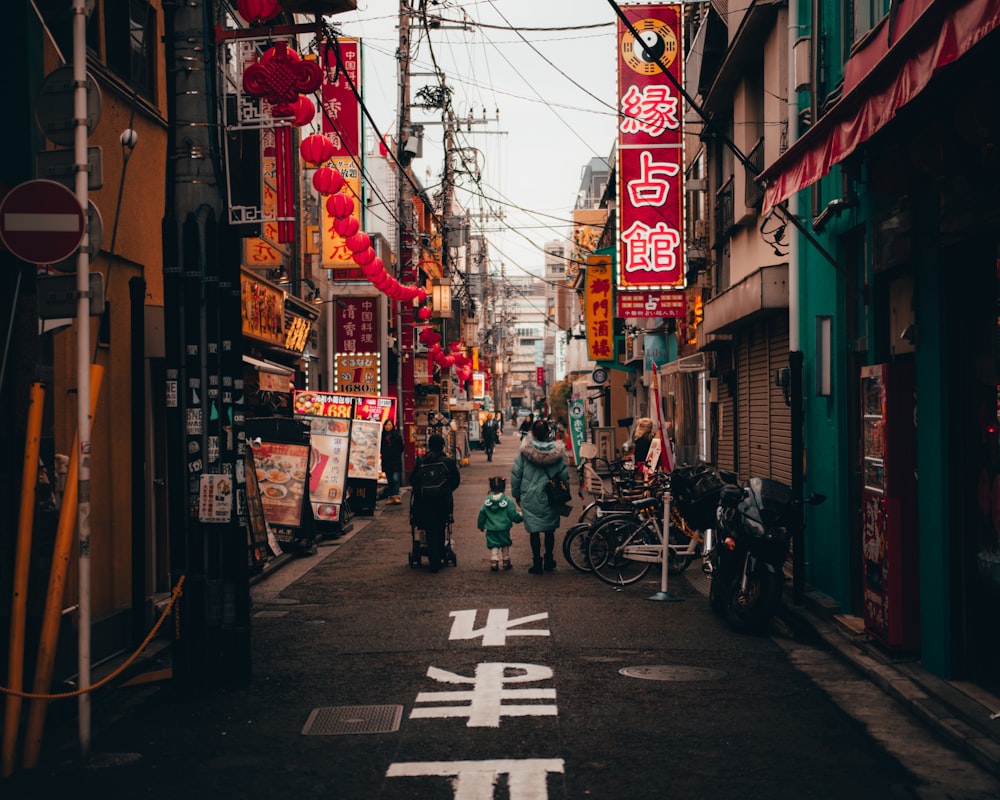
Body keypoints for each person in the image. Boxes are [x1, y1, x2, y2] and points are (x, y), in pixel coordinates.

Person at [512, 418, 570, 574]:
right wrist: (566, 493)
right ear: (547, 433)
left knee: (534, 530)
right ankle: (549, 559)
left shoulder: (524, 452)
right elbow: (564, 476)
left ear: (532, 433)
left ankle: (537, 562)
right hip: (552, 496)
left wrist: (516, 494)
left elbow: (516, 475)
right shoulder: (556, 453)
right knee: (550, 530)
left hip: (530, 495)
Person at [409, 433, 461, 572]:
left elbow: (412, 480)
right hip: (443, 501)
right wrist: (447, 490)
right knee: (441, 527)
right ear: (443, 445)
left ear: (429, 445)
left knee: (429, 527)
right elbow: (456, 481)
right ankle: (439, 554)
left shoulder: (421, 461)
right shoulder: (448, 462)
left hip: (424, 502)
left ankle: (433, 557)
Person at [477, 475, 522, 571]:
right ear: (504, 487)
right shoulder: (508, 500)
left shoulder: (487, 500)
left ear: (491, 487)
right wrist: (522, 516)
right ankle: (506, 561)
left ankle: (494, 561)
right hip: (504, 528)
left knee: (493, 544)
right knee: (505, 543)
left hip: (491, 529)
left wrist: (481, 525)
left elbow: (482, 513)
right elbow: (513, 515)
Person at [381, 419, 405, 504]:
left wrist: (396, 453)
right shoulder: (382, 437)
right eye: (386, 425)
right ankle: (391, 497)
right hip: (387, 461)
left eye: (390, 425)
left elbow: (401, 447)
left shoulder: (397, 436)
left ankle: (396, 496)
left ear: (392, 426)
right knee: (390, 480)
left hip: (396, 461)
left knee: (395, 479)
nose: (388, 426)